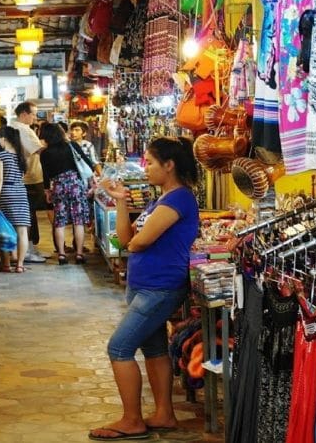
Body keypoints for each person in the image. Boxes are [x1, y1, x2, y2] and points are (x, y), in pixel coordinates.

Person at [89, 137, 200, 441]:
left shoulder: (179, 199)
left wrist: (136, 241)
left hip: (161, 287)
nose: (145, 168)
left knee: (119, 347)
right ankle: (164, 413)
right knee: (153, 348)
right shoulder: (160, 200)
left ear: (169, 165)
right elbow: (125, 238)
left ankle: (132, 419)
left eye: (150, 162)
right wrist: (121, 200)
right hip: (145, 285)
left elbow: (139, 242)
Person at [39, 123, 95, 265]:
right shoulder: (72, 146)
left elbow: (46, 175)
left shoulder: (45, 153)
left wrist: (47, 191)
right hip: (75, 184)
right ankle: (79, 254)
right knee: (78, 221)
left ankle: (62, 255)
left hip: (58, 186)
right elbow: (88, 162)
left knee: (60, 221)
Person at [0, 127, 31, 273]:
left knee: (2, 229)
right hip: (20, 192)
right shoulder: (21, 157)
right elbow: (21, 177)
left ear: (4, 139)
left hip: (6, 193)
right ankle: (20, 265)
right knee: (22, 231)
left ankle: (6, 263)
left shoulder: (0, 156)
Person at [10, 101, 48, 263]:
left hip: (23, 177)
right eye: (33, 114)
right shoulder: (23, 130)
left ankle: (29, 248)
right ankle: (27, 251)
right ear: (24, 114)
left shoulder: (12, 128)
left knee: (27, 215)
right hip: (29, 179)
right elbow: (38, 149)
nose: (34, 117)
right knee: (28, 216)